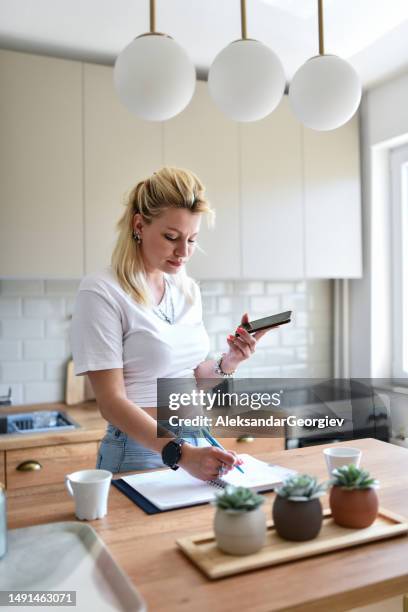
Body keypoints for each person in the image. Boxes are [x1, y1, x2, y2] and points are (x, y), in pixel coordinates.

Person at [70, 167, 274, 481]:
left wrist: (229, 361)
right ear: (139, 225)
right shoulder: (101, 291)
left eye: (192, 240)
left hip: (197, 441)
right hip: (141, 451)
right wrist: (179, 452)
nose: (183, 252)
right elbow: (111, 403)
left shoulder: (186, 288)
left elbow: (191, 378)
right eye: (171, 237)